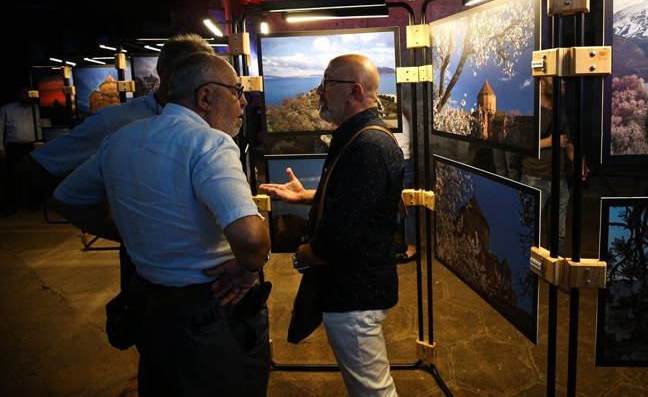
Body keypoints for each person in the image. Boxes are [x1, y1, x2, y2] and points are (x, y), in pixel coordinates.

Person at [50, 52, 271, 396]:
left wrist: (131, 232)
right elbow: (252, 240)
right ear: (205, 97)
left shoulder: (121, 140)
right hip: (212, 310)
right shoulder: (210, 143)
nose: (243, 101)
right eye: (236, 91)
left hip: (150, 310)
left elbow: (67, 199)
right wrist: (245, 273)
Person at [17, 33, 213, 290]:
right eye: (186, 70)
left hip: (209, 256)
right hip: (147, 266)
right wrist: (119, 226)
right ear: (162, 71)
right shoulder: (117, 120)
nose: (195, 79)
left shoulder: (210, 118)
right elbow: (34, 167)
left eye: (202, 72)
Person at [260, 53, 403, 396]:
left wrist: (302, 256)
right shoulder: (363, 138)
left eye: (327, 83)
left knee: (373, 392)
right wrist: (307, 197)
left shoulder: (367, 146)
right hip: (356, 288)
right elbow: (357, 201)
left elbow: (338, 237)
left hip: (354, 293)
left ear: (354, 91)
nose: (319, 91)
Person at [520, 76, 573, 257]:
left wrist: (576, 159)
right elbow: (521, 144)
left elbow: (567, 141)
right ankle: (525, 269)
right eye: (556, 77)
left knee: (558, 233)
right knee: (527, 229)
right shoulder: (529, 109)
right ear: (542, 83)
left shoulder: (560, 109)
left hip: (560, 181)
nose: (563, 81)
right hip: (534, 179)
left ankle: (554, 268)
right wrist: (550, 142)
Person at [0, 85, 40, 216]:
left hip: (32, 146)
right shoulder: (6, 109)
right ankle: (11, 206)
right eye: (24, 93)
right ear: (18, 94)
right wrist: (1, 148)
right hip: (14, 146)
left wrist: (41, 143)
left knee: (34, 175)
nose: (27, 96)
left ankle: (34, 203)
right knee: (12, 177)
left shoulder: (36, 109)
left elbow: (41, 125)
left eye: (29, 93)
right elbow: (0, 129)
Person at [395, 106, 417, 263]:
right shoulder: (400, 116)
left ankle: (412, 248)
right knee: (405, 207)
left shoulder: (396, 118)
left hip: (401, 163)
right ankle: (407, 244)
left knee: (407, 208)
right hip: (403, 162)